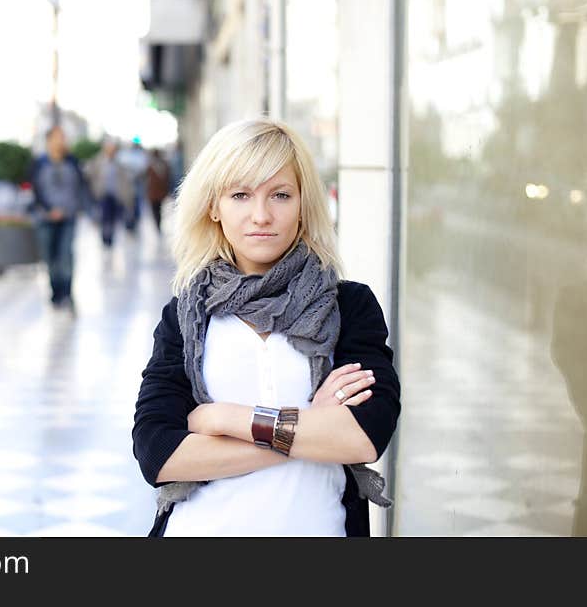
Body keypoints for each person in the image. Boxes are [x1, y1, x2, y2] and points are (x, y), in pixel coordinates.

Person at [132, 117, 401, 536]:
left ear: (302, 204)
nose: (261, 215)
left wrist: (221, 418)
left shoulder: (349, 306)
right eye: (240, 195)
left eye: (280, 194)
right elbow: (159, 455)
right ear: (214, 208)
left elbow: (363, 436)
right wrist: (310, 432)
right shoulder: (187, 314)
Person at [29, 125, 86, 311]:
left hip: (68, 216)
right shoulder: (39, 164)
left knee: (66, 255)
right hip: (46, 218)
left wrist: (80, 208)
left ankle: (67, 294)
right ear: (48, 140)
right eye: (58, 137)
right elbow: (36, 191)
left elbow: (81, 187)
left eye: (63, 137)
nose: (62, 140)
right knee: (50, 257)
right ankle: (56, 294)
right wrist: (49, 210)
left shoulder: (72, 162)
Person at [84, 137, 135, 247]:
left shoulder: (119, 164)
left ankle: (110, 240)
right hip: (103, 195)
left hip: (116, 196)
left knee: (113, 220)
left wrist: (127, 198)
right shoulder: (97, 161)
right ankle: (106, 241)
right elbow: (88, 174)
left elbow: (125, 182)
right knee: (104, 219)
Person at [145, 148, 171, 235]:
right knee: (158, 210)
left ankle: (158, 224)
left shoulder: (151, 166)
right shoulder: (163, 165)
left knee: (156, 210)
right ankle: (158, 224)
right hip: (158, 193)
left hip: (155, 193)